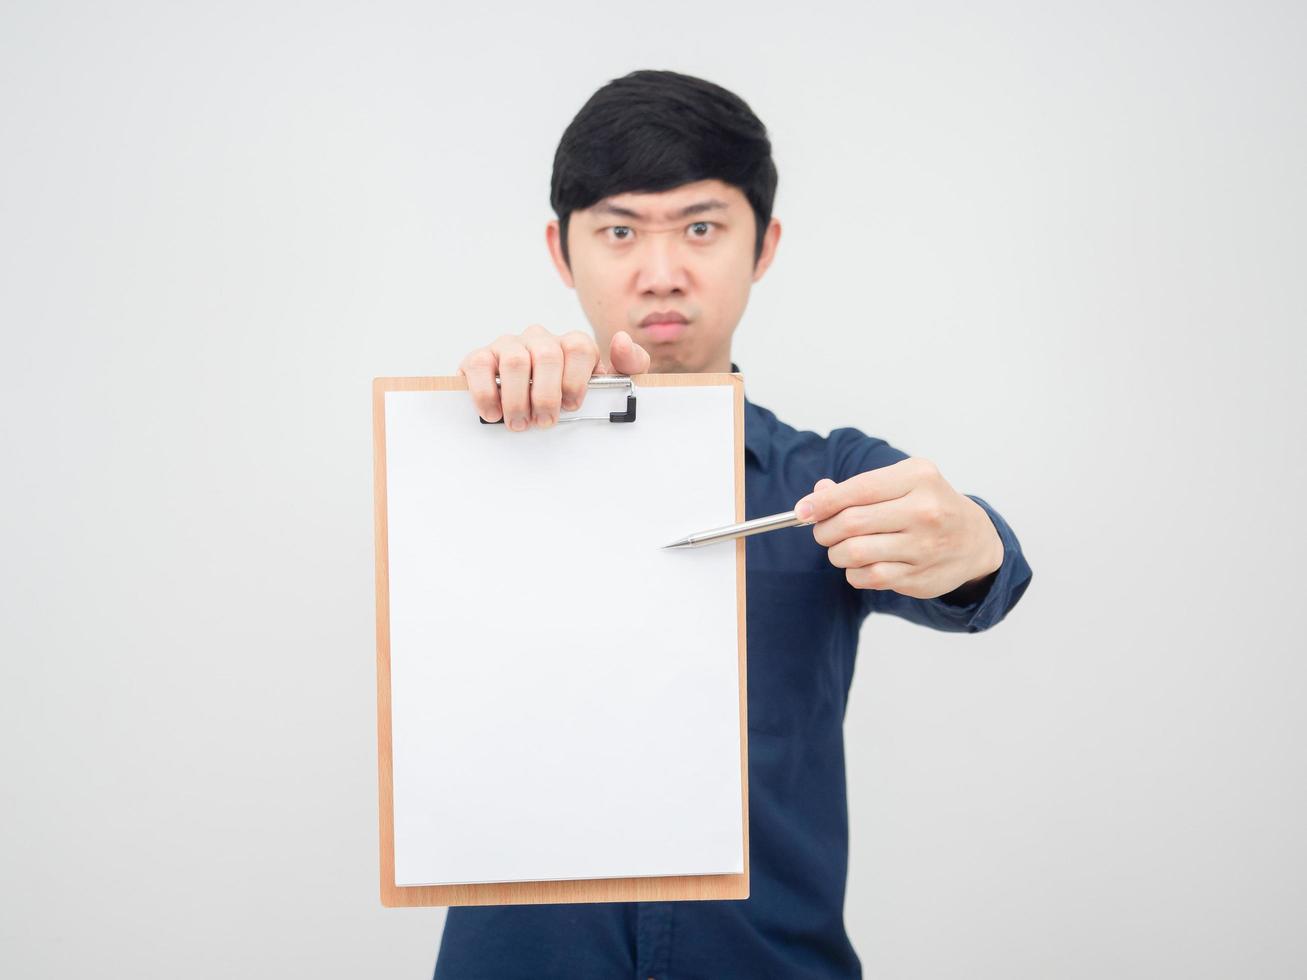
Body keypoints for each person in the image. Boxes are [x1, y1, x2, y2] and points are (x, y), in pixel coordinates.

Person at [436, 69, 1033, 980]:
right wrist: (475, 434)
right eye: (619, 230)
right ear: (562, 253)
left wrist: (973, 544)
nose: (662, 271)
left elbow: (978, 571)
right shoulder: (480, 464)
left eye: (702, 227)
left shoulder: (821, 477)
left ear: (763, 246)